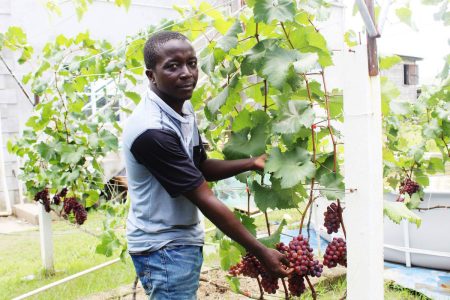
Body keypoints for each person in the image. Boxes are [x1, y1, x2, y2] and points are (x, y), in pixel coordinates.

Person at [122, 31, 290, 299]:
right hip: (163, 248)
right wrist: (259, 250)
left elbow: (200, 167)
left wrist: (251, 162)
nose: (187, 73)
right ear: (151, 75)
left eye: (192, 63)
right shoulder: (152, 131)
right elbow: (203, 196)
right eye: (172, 66)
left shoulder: (181, 108)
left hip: (179, 240)